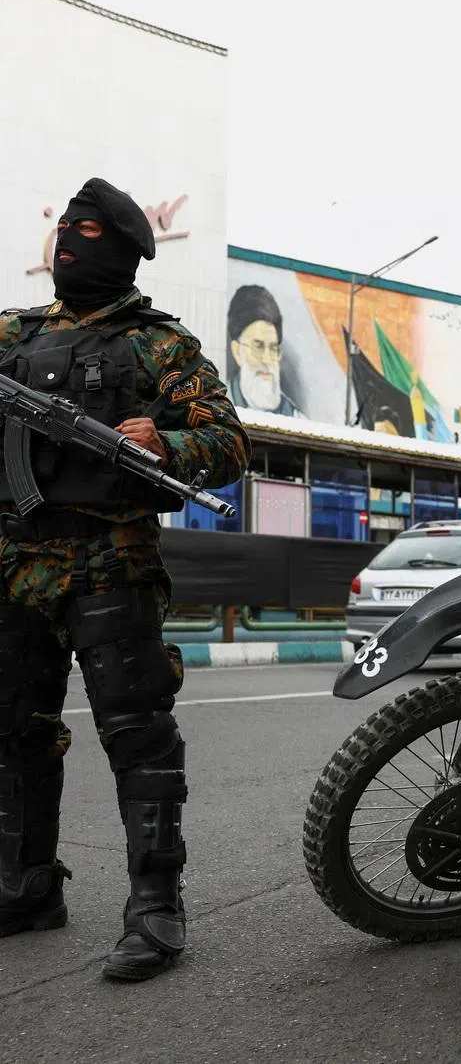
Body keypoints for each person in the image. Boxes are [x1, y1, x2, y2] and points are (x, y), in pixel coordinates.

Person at [0, 178, 251, 981]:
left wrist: (167, 443)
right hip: (14, 562)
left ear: (124, 250)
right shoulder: (12, 331)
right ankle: (25, 883)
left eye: (88, 233)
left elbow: (226, 441)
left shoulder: (158, 344)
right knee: (11, 730)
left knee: (138, 736)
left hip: (112, 560)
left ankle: (155, 907)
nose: (70, 243)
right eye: (63, 230)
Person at [226, 284, 302, 415]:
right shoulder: (216, 408)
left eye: (273, 349)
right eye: (258, 347)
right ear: (237, 351)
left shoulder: (297, 419)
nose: (267, 360)